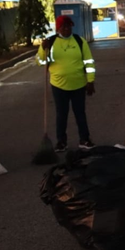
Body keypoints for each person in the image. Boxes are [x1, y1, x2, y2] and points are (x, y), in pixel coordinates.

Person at [37, 15, 96, 152]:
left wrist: (90, 80)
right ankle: (61, 142)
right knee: (61, 114)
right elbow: (41, 62)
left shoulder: (79, 41)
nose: (67, 29)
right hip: (58, 85)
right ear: (58, 28)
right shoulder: (50, 43)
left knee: (80, 113)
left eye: (69, 26)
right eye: (64, 26)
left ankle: (84, 139)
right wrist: (42, 50)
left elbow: (89, 62)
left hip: (79, 84)